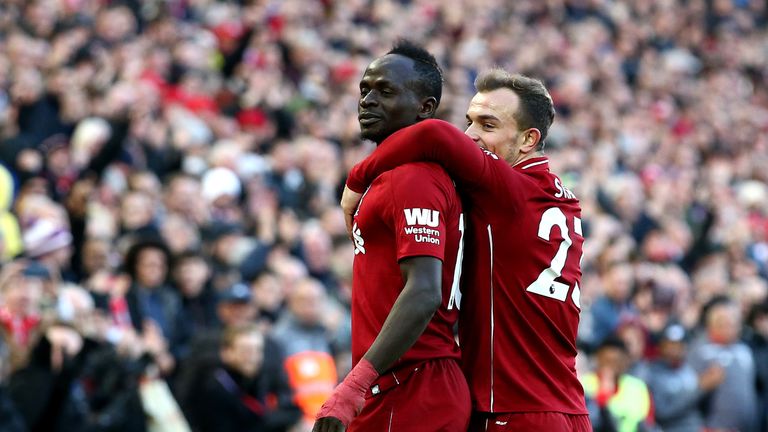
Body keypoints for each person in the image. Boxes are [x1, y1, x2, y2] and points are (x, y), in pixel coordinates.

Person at [341, 69, 590, 430]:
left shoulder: (510, 190)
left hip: (512, 409)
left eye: (488, 126)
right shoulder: (559, 198)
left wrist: (356, 179)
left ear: (527, 140)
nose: (470, 134)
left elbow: (433, 134)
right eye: (469, 121)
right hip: (569, 408)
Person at [313, 40, 470, 432]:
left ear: (425, 108)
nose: (367, 100)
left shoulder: (413, 179)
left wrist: (353, 386)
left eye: (385, 91)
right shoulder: (391, 174)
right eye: (365, 89)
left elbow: (423, 292)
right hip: (399, 384)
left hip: (414, 387)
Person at [688, 297, 759, 432]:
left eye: (733, 323)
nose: (729, 328)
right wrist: (702, 384)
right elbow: (685, 394)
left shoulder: (745, 350)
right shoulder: (700, 351)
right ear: (711, 324)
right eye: (723, 323)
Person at [581, 336, 655, 432]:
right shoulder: (584, 384)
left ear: (625, 362)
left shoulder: (638, 387)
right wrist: (603, 395)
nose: (610, 366)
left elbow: (647, 423)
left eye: (615, 361)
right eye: (606, 361)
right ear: (598, 359)